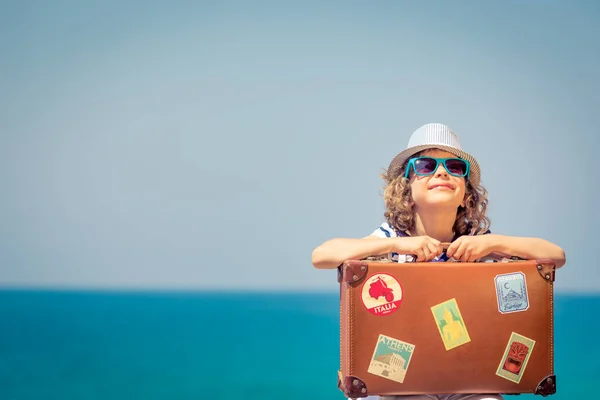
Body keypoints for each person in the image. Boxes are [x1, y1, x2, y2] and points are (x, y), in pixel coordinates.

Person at [311, 123, 566, 400]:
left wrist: (493, 243)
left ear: (466, 195)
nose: (442, 171)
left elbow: (556, 256)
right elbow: (322, 255)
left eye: (455, 167)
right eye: (426, 165)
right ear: (406, 191)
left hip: (465, 376)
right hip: (398, 379)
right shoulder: (390, 238)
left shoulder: (477, 241)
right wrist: (396, 244)